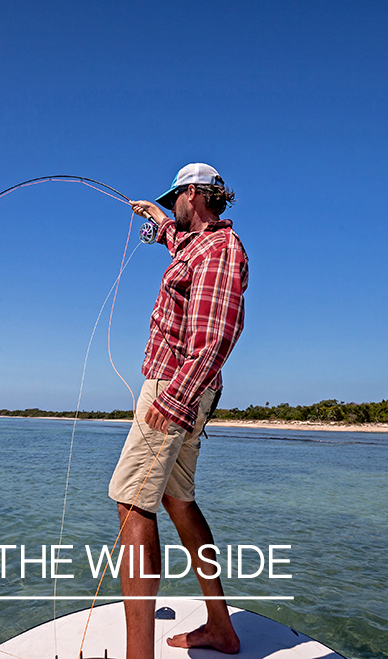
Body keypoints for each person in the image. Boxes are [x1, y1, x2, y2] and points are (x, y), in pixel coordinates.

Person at [109, 162, 248, 659]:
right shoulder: (197, 245)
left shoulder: (219, 249)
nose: (171, 209)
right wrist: (156, 216)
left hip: (176, 386)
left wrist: (172, 399)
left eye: (174, 201)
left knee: (132, 503)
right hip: (187, 389)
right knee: (176, 500)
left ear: (194, 193)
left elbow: (217, 336)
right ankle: (221, 627)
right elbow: (177, 242)